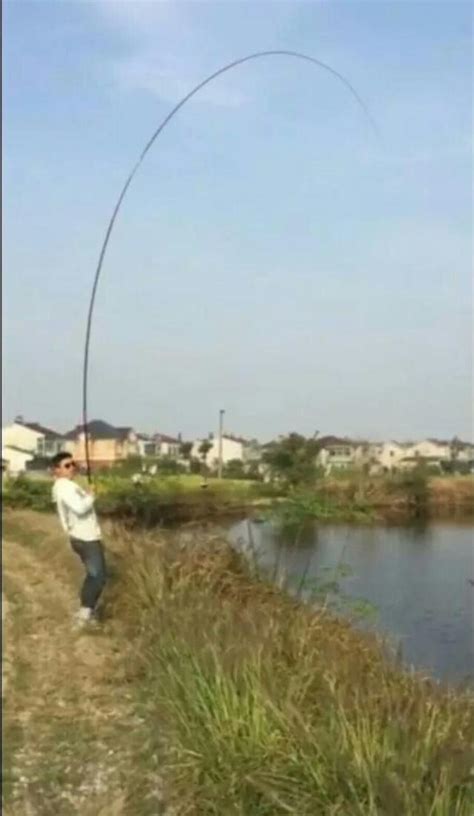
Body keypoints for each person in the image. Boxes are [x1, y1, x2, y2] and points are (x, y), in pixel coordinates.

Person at [51, 451, 106, 627]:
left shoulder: (69, 485)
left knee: (95, 575)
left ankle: (87, 611)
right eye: (67, 465)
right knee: (97, 576)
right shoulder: (63, 486)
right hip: (85, 537)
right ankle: (84, 614)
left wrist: (88, 494)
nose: (72, 468)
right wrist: (91, 495)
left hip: (86, 536)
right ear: (56, 470)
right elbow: (80, 508)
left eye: (73, 464)